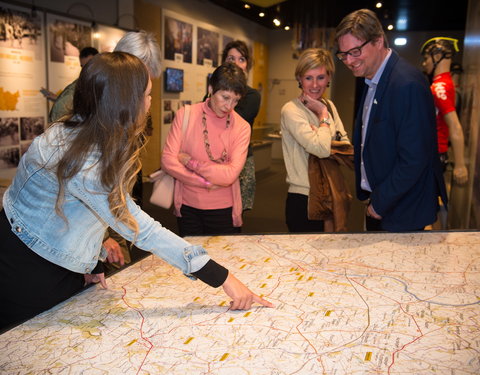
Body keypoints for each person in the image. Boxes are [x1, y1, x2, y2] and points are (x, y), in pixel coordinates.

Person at [0, 52, 272, 331]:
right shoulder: (86, 161)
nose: (150, 102)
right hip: (28, 268)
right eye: (147, 95)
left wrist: (90, 260)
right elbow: (141, 228)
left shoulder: (87, 131)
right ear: (124, 103)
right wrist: (223, 278)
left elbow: (75, 207)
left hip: (48, 256)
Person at [335, 9, 447, 232]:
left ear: (378, 41)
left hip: (402, 209)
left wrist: (379, 204)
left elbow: (415, 159)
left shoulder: (407, 84)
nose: (349, 60)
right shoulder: (373, 78)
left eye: (355, 51)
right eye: (343, 54)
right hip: (383, 202)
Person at [161, 63, 250, 237]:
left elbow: (230, 175)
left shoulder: (242, 127)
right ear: (211, 88)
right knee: (192, 260)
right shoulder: (185, 115)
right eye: (225, 97)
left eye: (235, 100)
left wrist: (190, 163)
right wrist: (205, 183)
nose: (229, 106)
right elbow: (168, 160)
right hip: (188, 208)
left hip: (224, 209)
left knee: (223, 260)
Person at [280, 48, 351, 233]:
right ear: (299, 79)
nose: (314, 85)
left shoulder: (330, 106)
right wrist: (323, 118)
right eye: (308, 77)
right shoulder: (291, 110)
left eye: (320, 77)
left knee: (330, 258)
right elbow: (322, 150)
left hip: (331, 193)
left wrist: (320, 133)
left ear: (328, 78)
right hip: (303, 198)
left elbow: (346, 147)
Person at [420, 37, 468, 185]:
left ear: (438, 56)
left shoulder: (439, 87)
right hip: (433, 153)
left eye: (427, 58)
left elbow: (454, 124)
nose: (424, 63)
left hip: (434, 154)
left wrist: (460, 165)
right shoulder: (443, 84)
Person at [221, 40, 261, 211]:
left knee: (235, 216)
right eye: (231, 59)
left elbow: (230, 122)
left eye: (241, 59)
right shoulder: (212, 94)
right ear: (223, 63)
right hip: (214, 159)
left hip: (240, 163)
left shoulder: (252, 96)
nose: (236, 63)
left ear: (247, 65)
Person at [48, 47, 99, 122]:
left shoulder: (105, 83)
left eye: (88, 65)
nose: (85, 70)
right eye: (83, 66)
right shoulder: (80, 84)